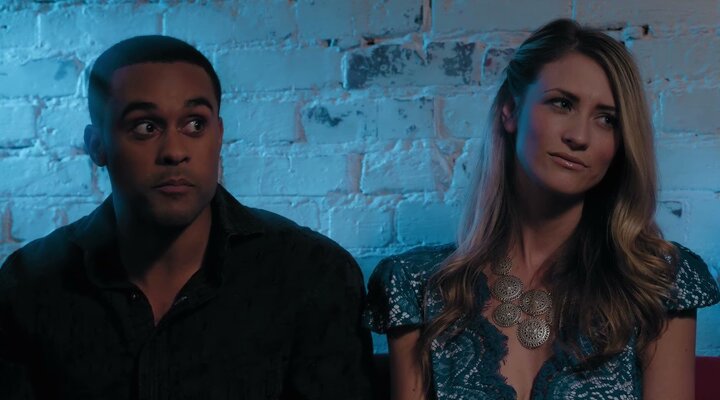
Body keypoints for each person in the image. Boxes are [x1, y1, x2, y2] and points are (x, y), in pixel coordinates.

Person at [0, 35, 374, 399]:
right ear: (97, 145)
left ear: (219, 135)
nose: (175, 152)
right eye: (145, 127)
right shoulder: (30, 283)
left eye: (195, 124)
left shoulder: (312, 273)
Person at [364, 19, 720, 400]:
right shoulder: (418, 286)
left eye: (607, 119)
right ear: (510, 110)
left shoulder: (657, 282)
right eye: (562, 103)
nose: (579, 136)